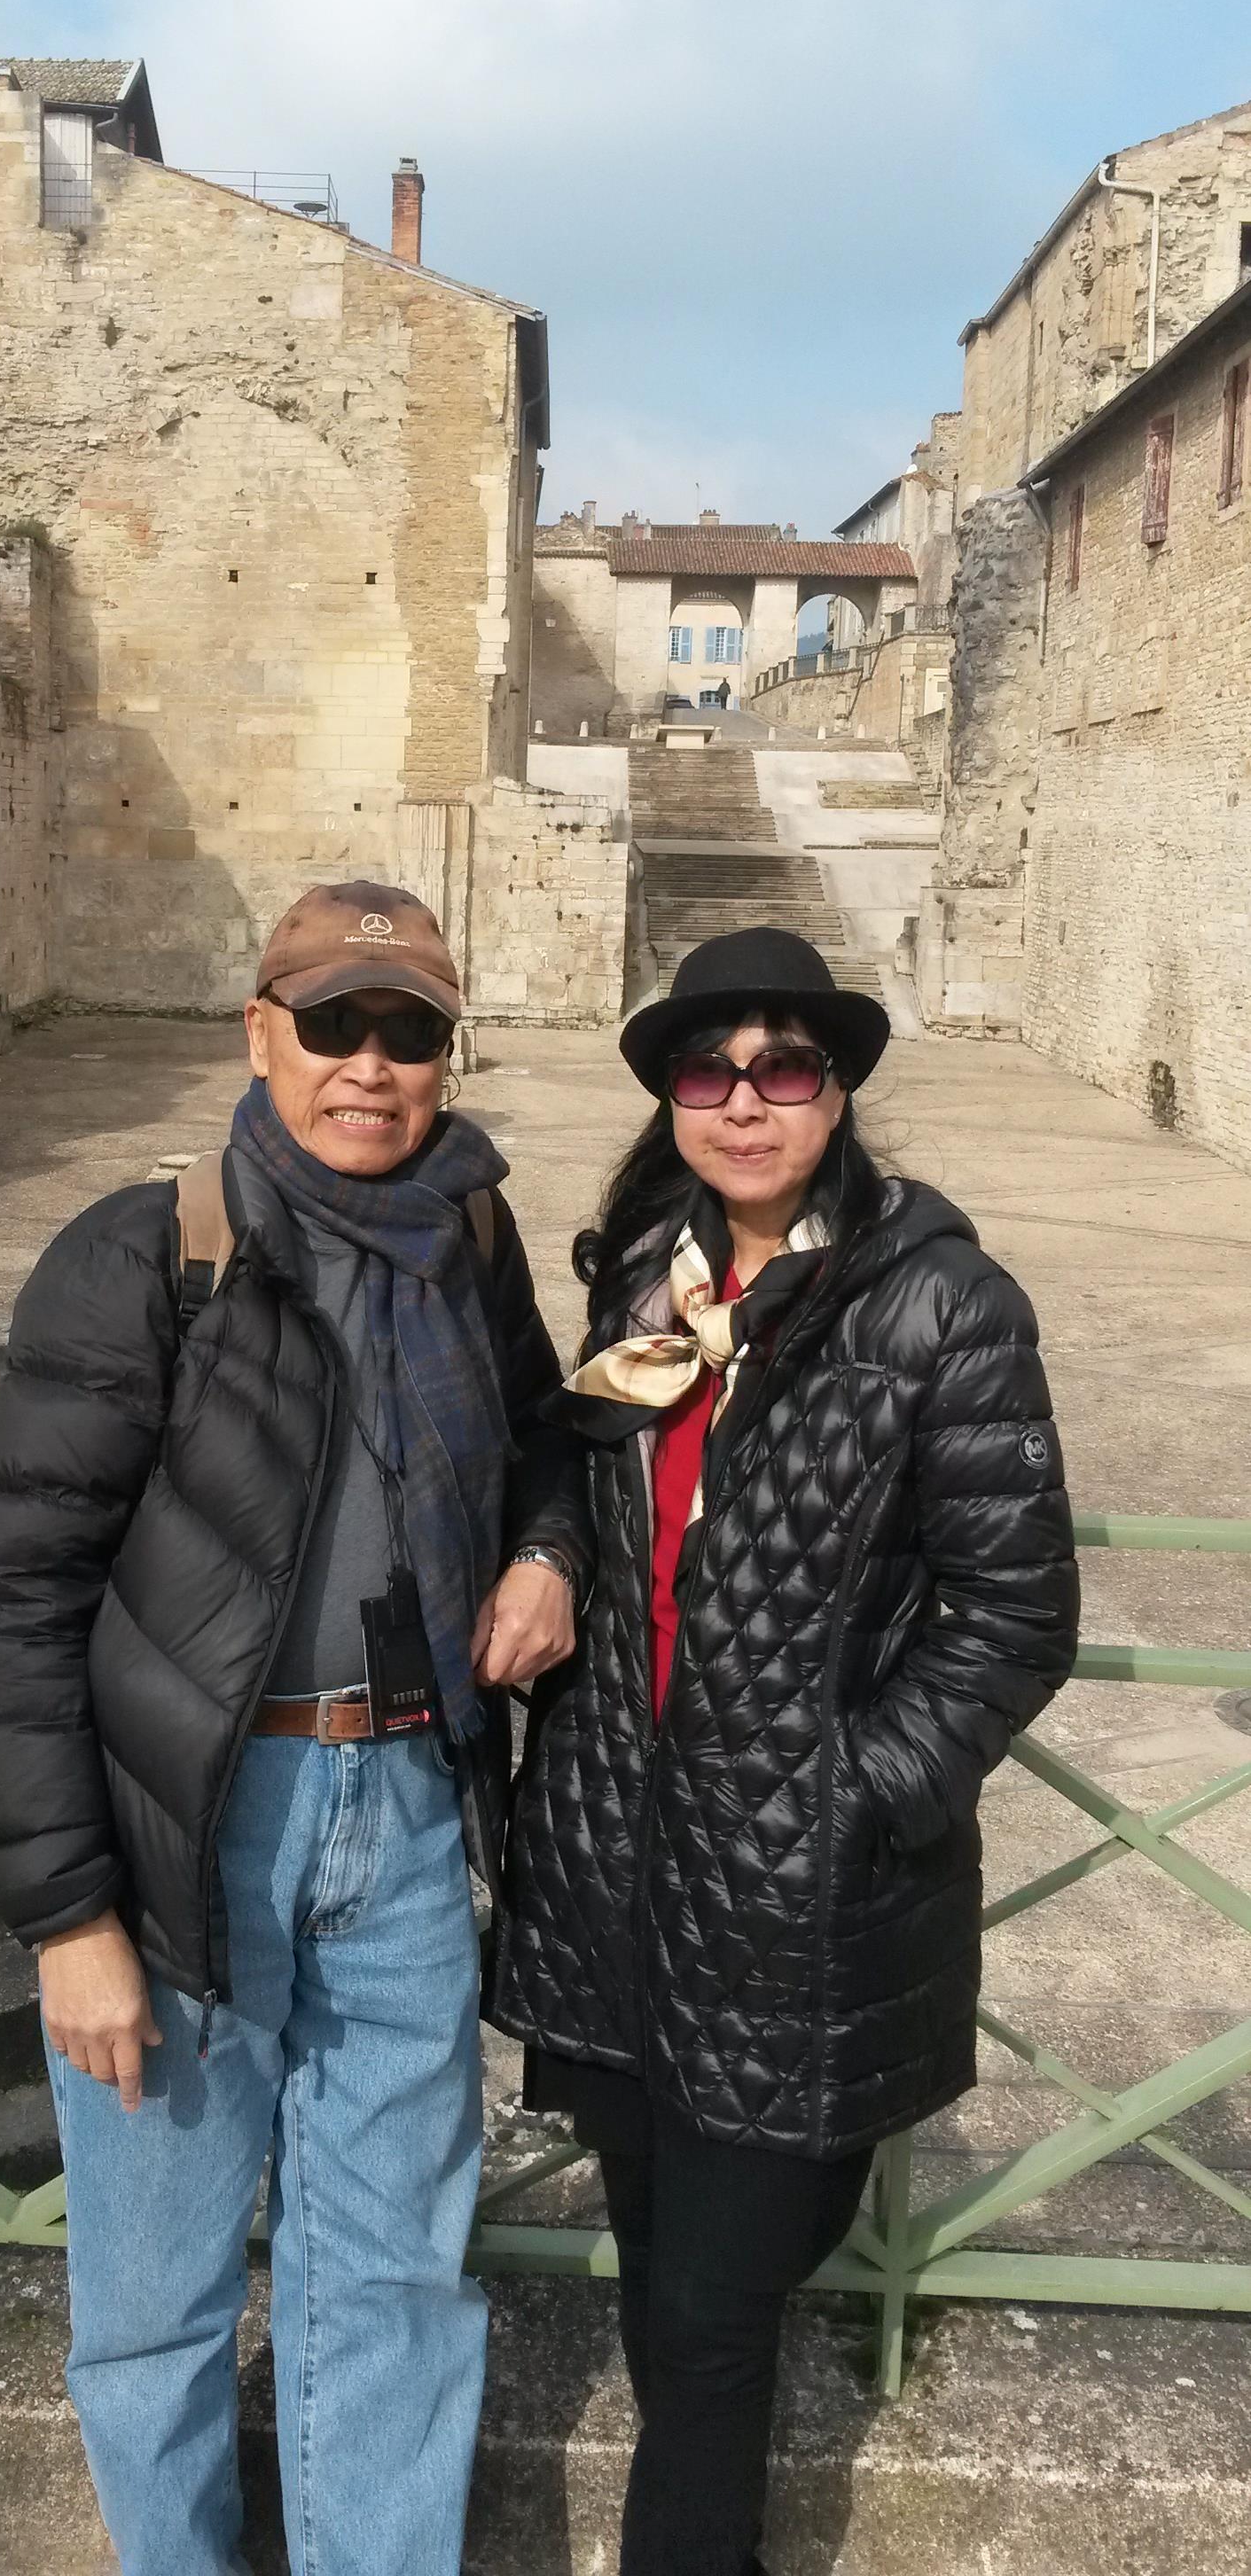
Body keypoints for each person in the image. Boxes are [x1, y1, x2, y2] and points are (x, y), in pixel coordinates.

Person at [0, 881, 588, 2576]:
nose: (370, 1068)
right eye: (334, 1026)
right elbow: (14, 1599)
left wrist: (540, 1549)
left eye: (412, 1033)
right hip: (184, 1834)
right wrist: (70, 1921)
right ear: (261, 1034)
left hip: (411, 1801)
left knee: (394, 2275)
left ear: (451, 1055)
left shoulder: (472, 1238)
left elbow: (542, 1440)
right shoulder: (149, 1251)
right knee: (153, 2302)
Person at [490, 925, 1079, 2576]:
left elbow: (1012, 1616)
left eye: (785, 1069)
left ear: (838, 1092)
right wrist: (546, 1551)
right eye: (709, 1070)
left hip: (796, 1909)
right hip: (619, 1878)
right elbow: (571, 1470)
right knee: (668, 2292)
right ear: (672, 1096)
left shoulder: (943, 1305)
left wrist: (851, 1796)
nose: (745, 1100)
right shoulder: (643, 1277)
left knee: (715, 2311)